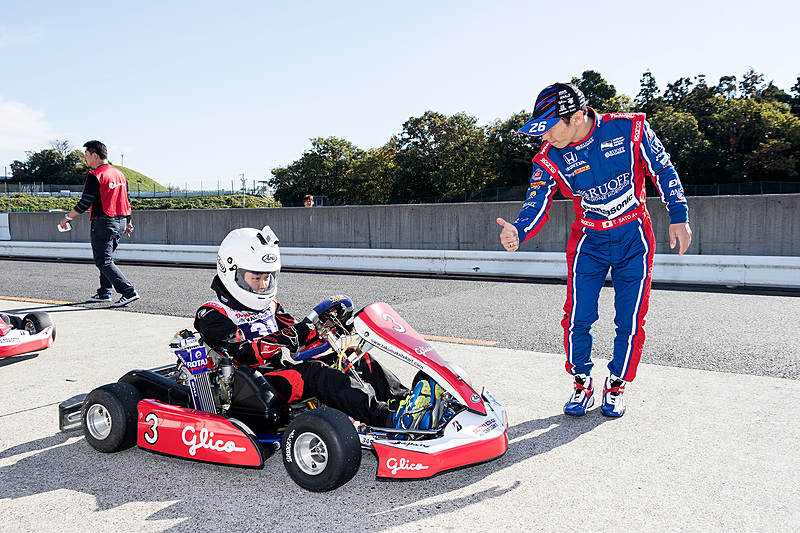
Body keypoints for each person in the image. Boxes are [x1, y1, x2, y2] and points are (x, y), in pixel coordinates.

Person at [497, 82, 692, 417]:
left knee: (629, 319)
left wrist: (678, 214)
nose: (543, 137)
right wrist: (519, 229)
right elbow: (536, 200)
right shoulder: (548, 157)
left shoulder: (630, 128)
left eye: (548, 128)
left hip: (635, 238)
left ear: (575, 117)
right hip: (589, 241)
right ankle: (581, 381)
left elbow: (663, 169)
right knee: (578, 316)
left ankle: (616, 384)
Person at [193, 225, 436, 429]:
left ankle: (406, 403)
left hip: (282, 372)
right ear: (231, 271)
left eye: (267, 277)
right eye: (256, 278)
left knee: (354, 357)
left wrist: (328, 326)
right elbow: (242, 353)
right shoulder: (212, 314)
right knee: (315, 372)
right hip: (251, 384)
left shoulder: (271, 306)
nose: (263, 284)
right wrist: (288, 337)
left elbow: (298, 337)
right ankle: (388, 419)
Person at [59, 140, 139, 307]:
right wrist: (129, 222)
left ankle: (128, 291)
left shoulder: (95, 175)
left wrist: (68, 217)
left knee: (103, 261)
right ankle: (104, 292)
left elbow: (85, 202)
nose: (85, 159)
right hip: (121, 222)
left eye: (86, 155)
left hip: (104, 222)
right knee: (107, 259)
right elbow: (127, 200)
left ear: (95, 155)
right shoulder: (119, 174)